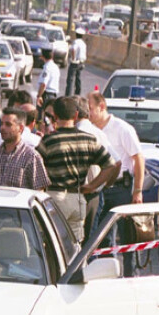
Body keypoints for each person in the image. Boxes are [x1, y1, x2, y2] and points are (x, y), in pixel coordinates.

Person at [37, 97, 118, 241]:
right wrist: (92, 186)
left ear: (55, 116)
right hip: (78, 199)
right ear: (75, 115)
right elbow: (110, 164)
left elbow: (37, 168)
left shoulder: (48, 141)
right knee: (75, 246)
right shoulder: (89, 140)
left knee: (52, 243)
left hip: (55, 198)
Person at [0, 107, 50, 191]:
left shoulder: (31, 157)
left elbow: (39, 190)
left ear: (20, 128)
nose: (2, 128)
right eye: (2, 124)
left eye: (8, 124)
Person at [75, 96, 113, 242]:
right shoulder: (98, 133)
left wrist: (92, 186)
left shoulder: (75, 133)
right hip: (93, 194)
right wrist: (101, 185)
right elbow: (115, 164)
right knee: (89, 243)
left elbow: (114, 164)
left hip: (82, 194)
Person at [36, 49, 60, 114]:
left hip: (46, 95)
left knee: (40, 116)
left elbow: (43, 84)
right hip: (53, 95)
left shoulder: (47, 68)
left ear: (42, 57)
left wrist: (39, 96)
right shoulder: (55, 67)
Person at [65, 28, 87, 96]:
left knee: (70, 80)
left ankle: (68, 95)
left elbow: (73, 49)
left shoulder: (76, 42)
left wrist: (73, 58)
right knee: (78, 79)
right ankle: (78, 94)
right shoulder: (83, 44)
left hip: (75, 63)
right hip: (81, 62)